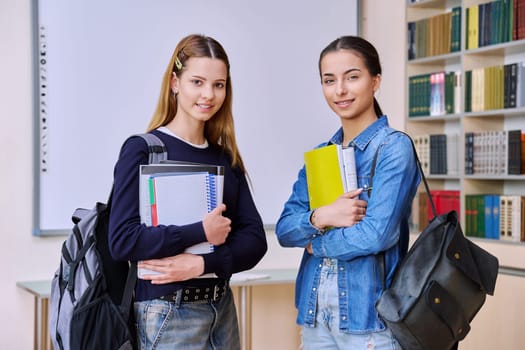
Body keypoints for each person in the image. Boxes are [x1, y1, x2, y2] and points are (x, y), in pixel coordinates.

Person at [108, 34, 268, 350]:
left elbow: (255, 241)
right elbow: (122, 241)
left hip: (221, 311)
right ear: (175, 82)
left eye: (219, 85)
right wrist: (200, 232)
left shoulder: (225, 157)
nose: (208, 94)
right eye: (197, 81)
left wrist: (202, 265)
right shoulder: (143, 150)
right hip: (165, 313)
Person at [275, 35, 420, 349]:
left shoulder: (394, 148)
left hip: (370, 320)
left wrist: (317, 244)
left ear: (375, 80)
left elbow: (377, 235)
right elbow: (286, 229)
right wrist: (322, 215)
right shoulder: (320, 154)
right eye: (329, 80)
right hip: (315, 316)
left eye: (352, 77)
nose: (339, 90)